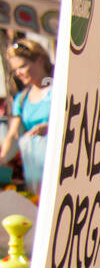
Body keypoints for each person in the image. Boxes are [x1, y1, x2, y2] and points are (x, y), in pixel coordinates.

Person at [2, 37, 54, 195]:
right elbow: (14, 134)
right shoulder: (22, 98)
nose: (18, 73)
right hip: (35, 175)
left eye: (22, 67)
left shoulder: (57, 90)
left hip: (59, 168)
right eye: (15, 70)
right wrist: (3, 158)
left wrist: (50, 128)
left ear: (39, 60)